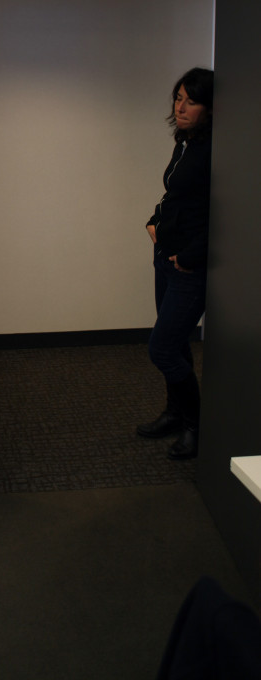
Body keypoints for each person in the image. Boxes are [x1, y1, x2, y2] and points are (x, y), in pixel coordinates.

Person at [137, 67, 213, 460]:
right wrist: (154, 220)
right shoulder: (185, 142)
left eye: (191, 101)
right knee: (176, 343)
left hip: (187, 267)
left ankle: (197, 427)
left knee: (162, 348)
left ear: (210, 108)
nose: (180, 108)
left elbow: (223, 215)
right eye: (178, 98)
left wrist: (189, 257)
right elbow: (174, 196)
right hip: (165, 258)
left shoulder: (217, 150)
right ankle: (175, 414)